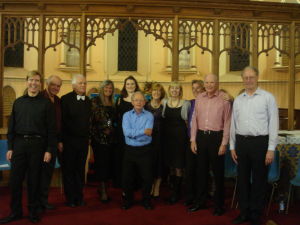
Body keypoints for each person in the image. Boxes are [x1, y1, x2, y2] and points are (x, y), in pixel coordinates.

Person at [0, 71, 56, 224]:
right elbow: (11, 128)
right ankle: (15, 212)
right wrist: (10, 147)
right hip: (19, 145)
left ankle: (33, 211)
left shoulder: (46, 104)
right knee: (15, 181)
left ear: (40, 84)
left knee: (34, 181)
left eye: (37, 81)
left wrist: (49, 150)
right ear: (27, 82)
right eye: (31, 80)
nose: (34, 83)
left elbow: (52, 130)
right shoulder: (18, 102)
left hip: (38, 146)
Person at [230, 66, 279, 225]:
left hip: (260, 143)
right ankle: (244, 212)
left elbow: (274, 124)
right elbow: (233, 124)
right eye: (245, 77)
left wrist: (271, 149)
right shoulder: (238, 99)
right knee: (242, 180)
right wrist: (232, 146)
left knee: (259, 180)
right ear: (242, 79)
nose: (248, 80)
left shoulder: (268, 98)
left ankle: (255, 214)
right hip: (241, 143)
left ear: (257, 78)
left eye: (251, 77)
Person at [189, 74, 232, 216]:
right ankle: (200, 202)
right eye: (207, 82)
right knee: (201, 172)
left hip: (216, 138)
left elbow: (227, 122)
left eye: (212, 82)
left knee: (218, 174)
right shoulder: (199, 98)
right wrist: (193, 140)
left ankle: (218, 205)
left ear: (217, 83)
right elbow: (194, 120)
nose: (209, 85)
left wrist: (224, 143)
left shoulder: (224, 99)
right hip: (201, 137)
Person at [61, 74, 91, 207]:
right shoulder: (65, 99)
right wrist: (61, 141)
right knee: (69, 170)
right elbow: (61, 122)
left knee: (80, 170)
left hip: (83, 142)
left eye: (84, 83)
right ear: (73, 85)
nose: (83, 85)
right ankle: (70, 198)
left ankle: (79, 197)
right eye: (80, 83)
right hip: (69, 142)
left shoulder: (88, 101)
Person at [121, 91, 154, 210]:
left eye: (141, 100)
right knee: (127, 177)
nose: (139, 102)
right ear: (132, 102)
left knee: (147, 178)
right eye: (136, 100)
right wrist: (142, 132)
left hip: (145, 150)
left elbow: (148, 134)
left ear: (145, 102)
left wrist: (134, 134)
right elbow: (126, 133)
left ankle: (146, 201)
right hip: (130, 150)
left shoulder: (149, 116)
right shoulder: (126, 115)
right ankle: (128, 200)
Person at [162, 82, 190, 204]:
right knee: (171, 166)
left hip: (180, 139)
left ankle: (176, 193)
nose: (174, 90)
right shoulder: (164, 103)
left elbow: (188, 123)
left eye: (177, 88)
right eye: (172, 88)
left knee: (178, 166)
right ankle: (173, 189)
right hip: (167, 139)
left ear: (180, 91)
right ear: (169, 90)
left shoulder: (186, 104)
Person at [38, 75, 62, 212]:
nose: (56, 88)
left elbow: (59, 123)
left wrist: (59, 140)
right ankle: (36, 201)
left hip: (53, 143)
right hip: (41, 143)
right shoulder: (40, 97)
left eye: (58, 86)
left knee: (47, 174)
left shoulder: (58, 101)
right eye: (53, 85)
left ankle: (44, 200)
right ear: (47, 84)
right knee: (38, 173)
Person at [90, 80, 117, 203]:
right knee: (101, 164)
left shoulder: (113, 102)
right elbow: (93, 119)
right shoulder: (95, 101)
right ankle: (103, 191)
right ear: (102, 88)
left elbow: (113, 119)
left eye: (110, 88)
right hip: (99, 138)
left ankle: (104, 188)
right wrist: (104, 128)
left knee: (108, 164)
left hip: (111, 138)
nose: (108, 89)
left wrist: (110, 127)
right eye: (106, 87)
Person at [114, 76, 140, 188]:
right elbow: (116, 116)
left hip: (137, 133)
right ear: (125, 86)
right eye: (128, 84)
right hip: (122, 134)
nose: (130, 86)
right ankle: (122, 182)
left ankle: (135, 182)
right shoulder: (120, 99)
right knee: (123, 157)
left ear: (136, 85)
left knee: (135, 157)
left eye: (132, 84)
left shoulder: (140, 98)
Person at [185, 80, 205, 206]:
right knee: (190, 170)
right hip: (190, 141)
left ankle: (200, 197)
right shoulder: (190, 103)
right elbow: (186, 120)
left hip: (203, 141)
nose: (196, 90)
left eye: (198, 88)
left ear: (203, 89)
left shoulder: (208, 102)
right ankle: (190, 196)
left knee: (201, 171)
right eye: (194, 88)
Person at [145, 83, 165, 198]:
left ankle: (157, 186)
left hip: (161, 138)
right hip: (148, 139)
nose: (156, 93)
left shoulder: (164, 106)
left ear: (161, 93)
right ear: (151, 92)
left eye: (158, 91)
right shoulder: (146, 106)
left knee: (159, 162)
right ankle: (151, 185)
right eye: (154, 90)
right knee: (150, 163)